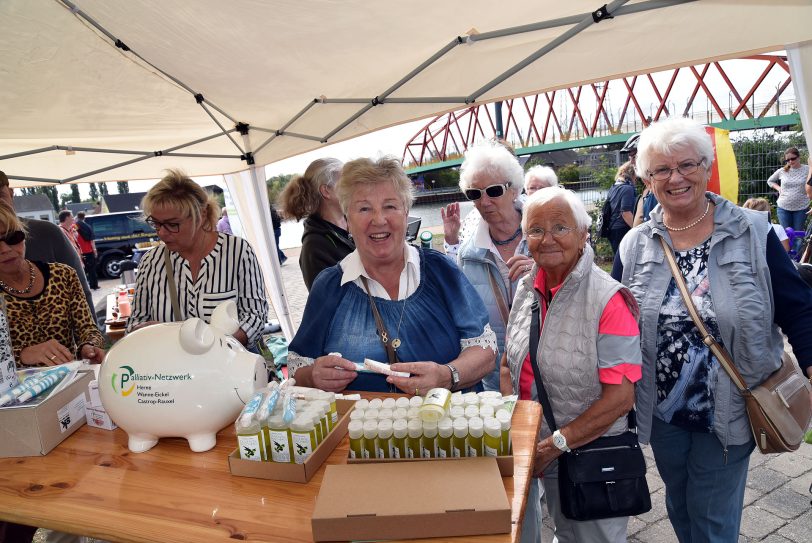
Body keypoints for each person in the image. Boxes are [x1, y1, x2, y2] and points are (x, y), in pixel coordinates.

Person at [614, 117, 812, 542]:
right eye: (661, 170)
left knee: (712, 524)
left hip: (731, 406)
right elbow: (615, 320)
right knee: (681, 509)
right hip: (662, 411)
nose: (676, 178)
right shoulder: (634, 245)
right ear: (647, 180)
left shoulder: (753, 232)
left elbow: (799, 309)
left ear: (706, 168)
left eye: (687, 165)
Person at [287, 156, 496, 394]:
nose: (378, 219)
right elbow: (297, 367)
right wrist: (314, 376)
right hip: (361, 431)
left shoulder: (441, 270)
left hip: (451, 428)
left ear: (406, 213)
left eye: (390, 206)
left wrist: (448, 376)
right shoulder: (330, 286)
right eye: (364, 208)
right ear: (347, 219)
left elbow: (485, 350)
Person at [502, 186, 641, 543]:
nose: (547, 239)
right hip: (535, 445)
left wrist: (552, 446)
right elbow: (508, 365)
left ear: (583, 235)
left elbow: (620, 399)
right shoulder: (526, 288)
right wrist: (518, 430)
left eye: (560, 228)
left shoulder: (609, 300)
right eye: (535, 229)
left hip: (589, 454)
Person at [127, 170, 268, 350]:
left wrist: (218, 347)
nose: (161, 232)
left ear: (200, 216)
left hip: (229, 369)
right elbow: (135, 323)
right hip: (174, 374)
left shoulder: (237, 251)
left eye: (172, 224)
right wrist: (142, 331)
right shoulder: (150, 262)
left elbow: (255, 315)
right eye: (156, 223)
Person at [442, 140, 535, 393]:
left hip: (548, 375)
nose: (484, 201)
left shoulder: (545, 238)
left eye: (493, 191)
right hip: (495, 382)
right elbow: (464, 319)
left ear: (514, 190)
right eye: (474, 193)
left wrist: (543, 271)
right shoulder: (468, 255)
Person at [0, 204, 104, 366]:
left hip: (70, 381)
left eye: (12, 237)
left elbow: (87, 328)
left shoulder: (63, 275)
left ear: (24, 236)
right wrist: (23, 354)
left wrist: (89, 345)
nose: (4, 249)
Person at [0, 171, 94, 317]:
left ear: (11, 194)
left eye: (0, 196)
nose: (5, 248)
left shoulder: (47, 232)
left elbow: (82, 293)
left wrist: (91, 337)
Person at [278, 158, 355, 290]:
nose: (353, 188)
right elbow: (330, 304)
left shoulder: (354, 223)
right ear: (326, 191)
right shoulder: (314, 248)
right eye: (346, 183)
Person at [767, 146, 810, 237]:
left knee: (798, 235)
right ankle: (786, 252)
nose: (790, 161)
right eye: (787, 160)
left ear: (799, 157)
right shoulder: (782, 171)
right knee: (785, 235)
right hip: (783, 207)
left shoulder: (808, 169)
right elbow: (770, 181)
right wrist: (778, 188)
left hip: (801, 208)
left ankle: (798, 252)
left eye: (793, 158)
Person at [605, 163, 635, 254]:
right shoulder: (627, 189)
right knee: (626, 260)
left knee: (619, 259)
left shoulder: (613, 187)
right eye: (636, 177)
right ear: (632, 175)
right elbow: (625, 213)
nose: (636, 180)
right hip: (622, 229)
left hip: (612, 228)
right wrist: (638, 228)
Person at [75, 211, 99, 290]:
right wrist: (94, 251)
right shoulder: (88, 227)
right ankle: (94, 285)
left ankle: (84, 287)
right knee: (92, 269)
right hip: (89, 251)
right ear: (84, 217)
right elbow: (92, 241)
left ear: (78, 217)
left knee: (82, 270)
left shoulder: (75, 226)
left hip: (80, 252)